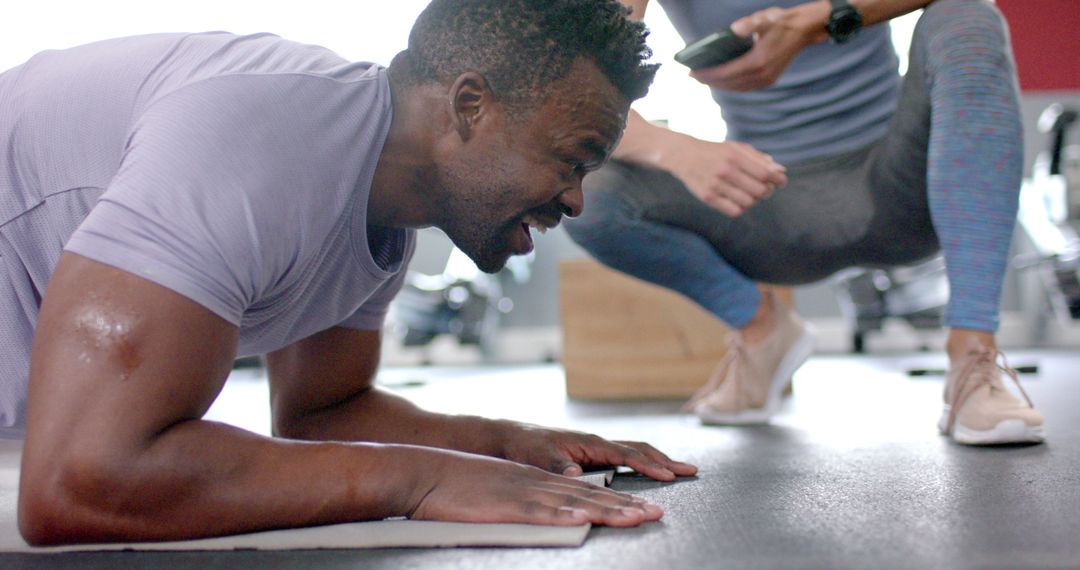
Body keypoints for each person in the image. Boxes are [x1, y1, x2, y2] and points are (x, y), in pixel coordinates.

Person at [0, 0, 700, 546]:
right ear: (469, 107)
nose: (576, 199)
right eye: (572, 158)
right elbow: (81, 479)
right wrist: (421, 479)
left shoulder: (380, 199)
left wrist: (509, 443)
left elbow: (322, 414)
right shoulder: (261, 141)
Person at [565, 0, 1045, 445]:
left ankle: (973, 356)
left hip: (904, 187)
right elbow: (579, 88)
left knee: (968, 13)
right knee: (587, 185)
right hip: (772, 210)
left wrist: (820, 20)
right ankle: (761, 329)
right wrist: (675, 150)